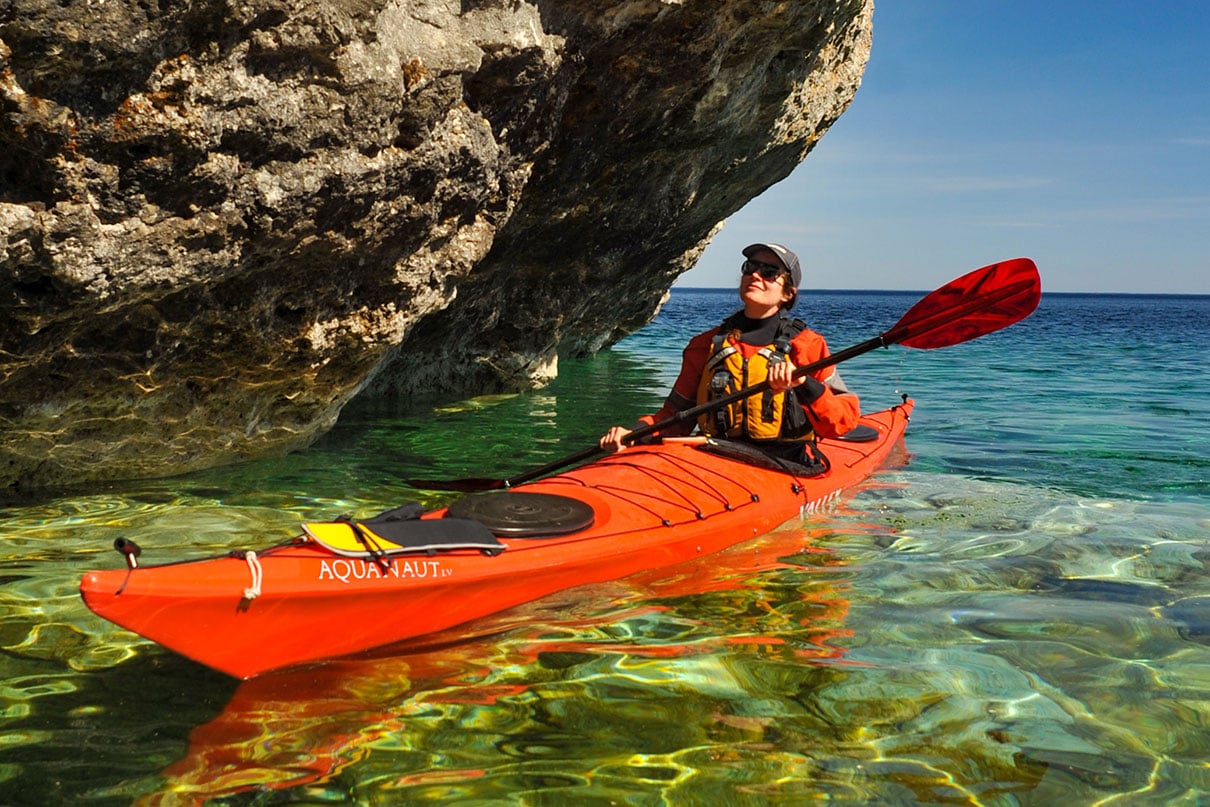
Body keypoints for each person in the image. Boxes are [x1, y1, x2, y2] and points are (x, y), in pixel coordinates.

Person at [599, 243, 860, 468]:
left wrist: (803, 383)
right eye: (750, 267)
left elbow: (843, 421)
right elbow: (675, 417)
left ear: (788, 293)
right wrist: (633, 433)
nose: (755, 274)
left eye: (769, 272)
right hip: (717, 456)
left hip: (786, 462)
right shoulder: (704, 345)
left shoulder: (807, 345)